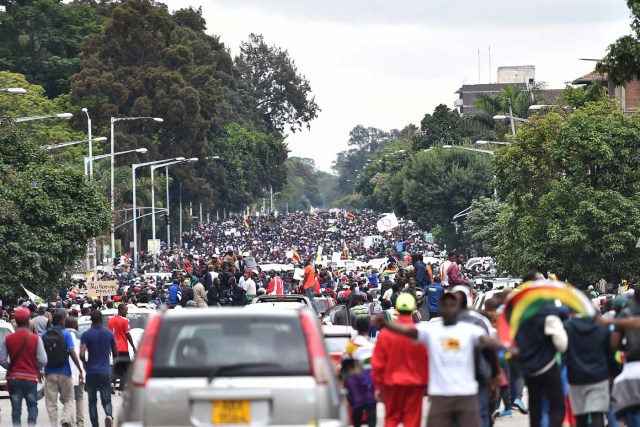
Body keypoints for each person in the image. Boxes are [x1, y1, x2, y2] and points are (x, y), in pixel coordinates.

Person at [375, 292, 516, 427]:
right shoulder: (430, 330)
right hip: (435, 394)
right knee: (412, 420)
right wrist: (386, 324)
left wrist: (506, 348)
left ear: (459, 309)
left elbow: (487, 342)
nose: (448, 309)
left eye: (452, 305)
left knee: (393, 418)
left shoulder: (470, 330)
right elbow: (409, 333)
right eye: (445, 305)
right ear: (440, 309)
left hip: (465, 395)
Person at [515, 272, 567, 427]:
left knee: (535, 409)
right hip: (548, 365)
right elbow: (562, 344)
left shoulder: (518, 311)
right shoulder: (547, 309)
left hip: (528, 368)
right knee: (558, 406)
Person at [371, 293, 428, 427]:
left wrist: (378, 386)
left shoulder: (386, 334)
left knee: (391, 419)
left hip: (392, 384)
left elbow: (378, 362)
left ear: (396, 308)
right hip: (415, 384)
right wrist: (426, 383)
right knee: (412, 421)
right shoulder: (420, 334)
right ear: (414, 309)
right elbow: (426, 360)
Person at [0, 308, 48, 427]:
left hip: (14, 379)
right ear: (28, 321)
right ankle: (31, 424)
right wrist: (35, 368)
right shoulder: (35, 338)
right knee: (32, 405)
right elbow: (43, 359)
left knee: (16, 407)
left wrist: (11, 367)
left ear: (15, 321)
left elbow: (1, 359)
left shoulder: (8, 338)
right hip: (30, 378)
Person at [563, 313, 612, 427]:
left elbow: (564, 353)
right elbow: (609, 352)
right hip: (599, 376)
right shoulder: (602, 327)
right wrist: (612, 373)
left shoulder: (567, 327)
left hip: (575, 377)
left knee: (580, 416)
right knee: (597, 412)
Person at [42, 313, 83, 427]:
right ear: (61, 322)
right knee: (69, 399)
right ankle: (65, 419)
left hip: (49, 373)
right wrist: (79, 369)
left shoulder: (43, 335)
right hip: (65, 372)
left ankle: (54, 425)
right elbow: (72, 352)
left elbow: (39, 354)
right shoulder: (66, 334)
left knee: (51, 403)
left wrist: (38, 370)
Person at [81, 310, 118, 427]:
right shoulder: (109, 334)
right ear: (102, 319)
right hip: (104, 371)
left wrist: (85, 364)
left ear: (91, 320)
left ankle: (95, 424)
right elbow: (116, 352)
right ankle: (108, 416)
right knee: (106, 400)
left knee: (92, 401)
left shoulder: (86, 334)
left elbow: (82, 354)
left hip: (91, 372)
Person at [343, 317, 376, 427]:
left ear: (356, 328)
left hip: (355, 380)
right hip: (371, 380)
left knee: (357, 409)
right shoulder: (374, 345)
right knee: (371, 408)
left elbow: (346, 364)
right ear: (369, 327)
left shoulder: (351, 345)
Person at [108, 304, 136, 391]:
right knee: (125, 368)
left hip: (114, 349)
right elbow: (128, 335)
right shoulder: (125, 321)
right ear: (120, 310)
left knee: (116, 367)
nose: (127, 312)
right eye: (125, 310)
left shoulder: (111, 320)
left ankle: (112, 384)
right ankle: (121, 387)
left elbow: (109, 335)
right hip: (123, 348)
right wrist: (134, 347)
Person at [65, 317, 85, 427]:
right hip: (79, 371)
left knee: (68, 399)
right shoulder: (80, 336)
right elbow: (84, 354)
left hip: (65, 372)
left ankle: (70, 421)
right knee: (80, 397)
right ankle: (80, 423)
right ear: (74, 325)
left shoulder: (61, 336)